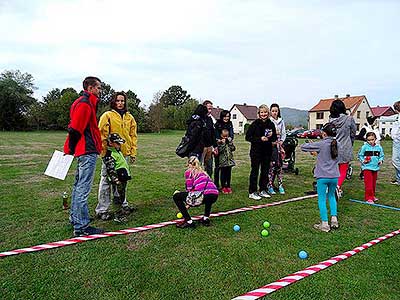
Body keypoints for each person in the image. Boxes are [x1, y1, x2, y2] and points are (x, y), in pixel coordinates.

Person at [63, 76, 104, 237]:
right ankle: (81, 226)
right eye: (98, 87)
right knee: (83, 188)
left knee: (78, 186)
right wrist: (72, 149)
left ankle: (76, 218)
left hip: (84, 150)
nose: (100, 91)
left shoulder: (85, 103)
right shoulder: (85, 104)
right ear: (90, 88)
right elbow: (75, 129)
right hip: (86, 151)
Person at [95, 92, 137, 220]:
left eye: (122, 101)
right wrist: (105, 151)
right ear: (113, 102)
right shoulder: (107, 116)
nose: (120, 103)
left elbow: (133, 136)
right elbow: (101, 134)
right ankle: (102, 209)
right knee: (107, 181)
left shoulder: (130, 117)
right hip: (110, 154)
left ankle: (123, 205)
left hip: (124, 154)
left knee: (122, 180)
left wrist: (133, 152)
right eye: (118, 101)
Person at [301, 123, 340, 232]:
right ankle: (334, 220)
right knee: (332, 196)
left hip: (322, 176)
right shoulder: (338, 144)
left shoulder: (321, 144)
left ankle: (324, 224)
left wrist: (313, 145)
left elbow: (303, 147)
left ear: (323, 133)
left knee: (322, 199)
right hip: (334, 176)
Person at [173, 156, 219, 228]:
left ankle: (189, 222)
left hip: (204, 195)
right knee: (208, 197)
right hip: (215, 194)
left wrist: (187, 202)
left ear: (189, 164)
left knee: (176, 196)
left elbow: (189, 189)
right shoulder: (203, 172)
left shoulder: (189, 172)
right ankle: (205, 218)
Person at [245, 104, 277, 200]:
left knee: (265, 171)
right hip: (256, 152)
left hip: (267, 152)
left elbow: (274, 138)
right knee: (255, 171)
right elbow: (248, 137)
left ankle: (263, 189)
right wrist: (259, 139)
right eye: (262, 112)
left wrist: (271, 136)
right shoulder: (255, 124)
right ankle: (252, 191)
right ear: (259, 113)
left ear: (268, 113)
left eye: (265, 112)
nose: (263, 114)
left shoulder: (271, 124)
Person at [329, 99, 356, 198]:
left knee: (334, 170)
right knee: (343, 169)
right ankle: (337, 186)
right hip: (345, 147)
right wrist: (350, 142)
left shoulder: (330, 120)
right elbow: (353, 133)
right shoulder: (349, 119)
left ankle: (335, 187)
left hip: (333, 147)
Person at [102, 133, 132, 222]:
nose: (119, 145)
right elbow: (110, 170)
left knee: (122, 196)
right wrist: (116, 180)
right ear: (110, 143)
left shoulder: (117, 152)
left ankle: (122, 211)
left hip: (123, 178)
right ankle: (118, 216)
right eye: (117, 143)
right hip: (117, 180)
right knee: (117, 197)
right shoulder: (110, 154)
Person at [358, 132, 384, 203]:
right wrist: (363, 161)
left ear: (375, 139)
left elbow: (381, 156)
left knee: (373, 183)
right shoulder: (364, 147)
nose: (370, 141)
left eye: (372, 139)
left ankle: (372, 196)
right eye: (368, 140)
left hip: (375, 168)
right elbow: (360, 155)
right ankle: (368, 198)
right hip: (367, 168)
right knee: (368, 184)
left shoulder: (379, 147)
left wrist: (380, 160)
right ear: (366, 140)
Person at [267, 103, 287, 195]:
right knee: (271, 167)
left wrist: (281, 142)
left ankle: (280, 185)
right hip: (271, 147)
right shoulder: (269, 121)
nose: (274, 113)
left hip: (279, 146)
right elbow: (267, 134)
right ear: (270, 112)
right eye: (273, 111)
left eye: (276, 111)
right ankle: (270, 185)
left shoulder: (281, 121)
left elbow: (283, 133)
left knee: (279, 166)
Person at [213, 110, 234, 189]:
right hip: (218, 146)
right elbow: (215, 136)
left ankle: (225, 185)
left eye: (228, 116)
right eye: (225, 116)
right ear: (222, 116)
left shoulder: (230, 124)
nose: (226, 118)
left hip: (227, 146)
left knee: (226, 168)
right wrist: (219, 140)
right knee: (218, 167)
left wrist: (228, 139)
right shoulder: (217, 124)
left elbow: (231, 135)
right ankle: (216, 184)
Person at [217, 129, 236, 194]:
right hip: (223, 162)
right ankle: (223, 187)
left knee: (228, 174)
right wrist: (223, 143)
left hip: (229, 161)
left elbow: (233, 148)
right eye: (224, 136)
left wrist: (230, 143)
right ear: (221, 135)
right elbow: (220, 150)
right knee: (223, 174)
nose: (225, 138)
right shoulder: (219, 142)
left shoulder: (229, 141)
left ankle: (228, 186)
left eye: (226, 136)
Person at [202, 100, 216, 177]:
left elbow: (212, 133)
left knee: (209, 168)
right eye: (208, 108)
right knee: (199, 168)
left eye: (211, 109)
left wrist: (215, 146)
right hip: (201, 148)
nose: (210, 111)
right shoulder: (199, 119)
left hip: (209, 147)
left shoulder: (210, 119)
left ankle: (208, 184)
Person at [390, 101, 400, 185]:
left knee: (395, 160)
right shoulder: (398, 116)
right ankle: (398, 179)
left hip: (398, 141)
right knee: (397, 160)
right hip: (396, 141)